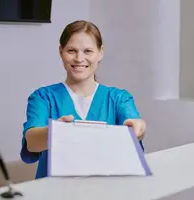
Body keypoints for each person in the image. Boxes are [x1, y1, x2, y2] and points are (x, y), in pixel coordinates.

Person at [20, 20, 147, 179]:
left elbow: (136, 125)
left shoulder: (119, 98)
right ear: (61, 51)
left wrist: (139, 128)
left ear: (100, 52)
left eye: (88, 51)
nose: (79, 58)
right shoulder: (43, 97)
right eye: (71, 50)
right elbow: (31, 143)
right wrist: (57, 133)